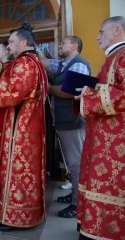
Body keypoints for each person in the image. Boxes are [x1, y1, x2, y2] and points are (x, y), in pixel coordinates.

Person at [0, 26, 48, 231]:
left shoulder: (25, 63)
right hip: (25, 125)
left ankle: (16, 217)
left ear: (23, 42)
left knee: (17, 170)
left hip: (20, 128)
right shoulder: (32, 62)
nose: (9, 46)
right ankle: (10, 211)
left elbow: (14, 93)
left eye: (12, 42)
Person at [74, 16, 125, 240]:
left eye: (101, 32)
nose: (97, 37)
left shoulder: (123, 55)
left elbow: (121, 94)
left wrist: (88, 94)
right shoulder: (114, 56)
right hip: (104, 134)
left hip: (116, 139)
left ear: (117, 30)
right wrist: (89, 89)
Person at [36, 36, 91, 218]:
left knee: (75, 164)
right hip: (64, 120)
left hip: (72, 122)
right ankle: (74, 195)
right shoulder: (64, 64)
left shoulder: (79, 64)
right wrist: (33, 45)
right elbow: (44, 62)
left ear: (74, 46)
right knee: (70, 163)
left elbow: (70, 92)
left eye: (64, 43)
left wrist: (48, 87)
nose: (60, 45)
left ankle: (77, 204)